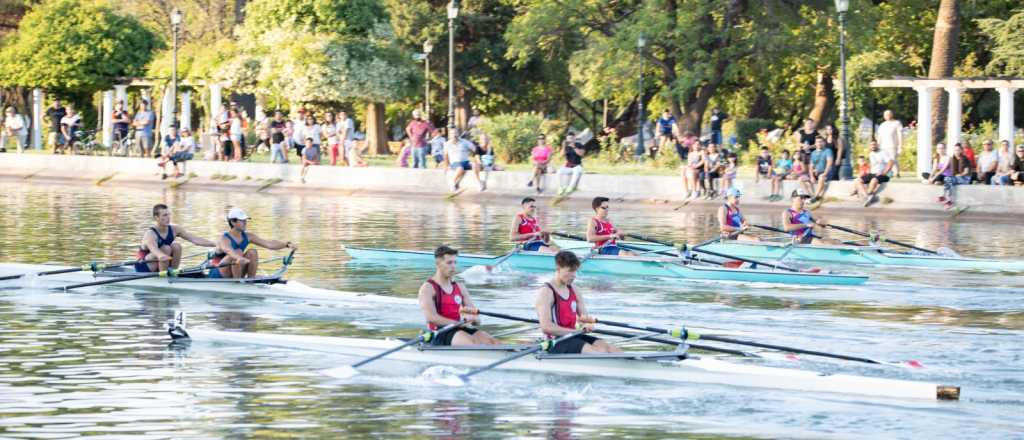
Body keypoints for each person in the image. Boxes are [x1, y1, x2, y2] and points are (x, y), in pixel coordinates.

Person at [535, 251, 621, 354]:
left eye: (575, 271)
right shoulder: (546, 292)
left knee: (611, 349)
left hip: (572, 335)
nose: (574, 275)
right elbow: (546, 327)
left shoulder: (574, 290)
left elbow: (584, 317)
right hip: (555, 341)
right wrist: (575, 331)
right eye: (570, 271)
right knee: (599, 352)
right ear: (558, 268)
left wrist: (588, 324)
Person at [418, 245, 499, 346]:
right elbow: (431, 317)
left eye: (455, 262)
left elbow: (474, 315)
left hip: (459, 327)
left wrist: (475, 319)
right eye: (449, 263)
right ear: (438, 264)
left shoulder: (460, 287)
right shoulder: (428, 288)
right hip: (440, 331)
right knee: (470, 343)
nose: (453, 266)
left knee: (493, 342)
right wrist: (458, 323)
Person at [209, 208, 297, 279]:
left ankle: (251, 280)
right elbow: (229, 251)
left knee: (253, 252)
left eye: (245, 220)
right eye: (242, 220)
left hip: (235, 269)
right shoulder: (223, 238)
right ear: (233, 222)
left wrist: (287, 244)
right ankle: (237, 284)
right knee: (238, 252)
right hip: (217, 272)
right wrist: (239, 258)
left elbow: (269, 244)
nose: (245, 223)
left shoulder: (248, 236)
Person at [134, 204, 216, 273]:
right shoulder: (150, 234)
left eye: (169, 214)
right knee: (166, 248)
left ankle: (173, 272)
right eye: (165, 215)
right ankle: (163, 278)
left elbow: (195, 240)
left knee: (177, 246)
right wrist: (163, 256)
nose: (168, 217)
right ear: (156, 218)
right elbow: (156, 252)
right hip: (144, 266)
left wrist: (216, 244)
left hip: (162, 262)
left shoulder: (175, 229)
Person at [855, 141, 895, 207]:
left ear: (877, 145)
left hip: (882, 175)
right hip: (872, 173)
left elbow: (891, 162)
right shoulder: (871, 154)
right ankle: (867, 196)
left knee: (873, 180)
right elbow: (873, 165)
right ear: (869, 146)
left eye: (874, 144)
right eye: (871, 145)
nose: (873, 146)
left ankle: (868, 196)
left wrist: (884, 173)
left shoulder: (883, 152)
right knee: (858, 180)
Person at [938, 143, 973, 210]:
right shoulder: (952, 159)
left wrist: (959, 175)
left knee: (949, 179)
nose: (956, 151)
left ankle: (945, 197)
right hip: (956, 178)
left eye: (958, 150)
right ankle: (948, 200)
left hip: (965, 178)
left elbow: (966, 172)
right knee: (948, 179)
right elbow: (952, 172)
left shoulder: (965, 159)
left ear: (961, 150)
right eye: (955, 150)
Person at [877, 110, 903, 177]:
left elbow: (900, 135)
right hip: (883, 146)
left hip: (892, 146)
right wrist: (877, 145)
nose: (887, 116)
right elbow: (879, 136)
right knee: (885, 161)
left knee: (893, 160)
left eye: (888, 114)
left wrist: (900, 146)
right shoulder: (882, 125)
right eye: (885, 115)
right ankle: (890, 173)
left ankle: (896, 173)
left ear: (891, 115)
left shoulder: (897, 123)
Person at [809, 136, 834, 203]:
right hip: (816, 172)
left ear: (824, 143)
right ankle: (812, 195)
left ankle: (816, 196)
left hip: (827, 172)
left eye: (821, 142)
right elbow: (811, 166)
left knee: (821, 177)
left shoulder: (828, 151)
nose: (819, 143)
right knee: (802, 179)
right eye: (817, 142)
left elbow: (829, 163)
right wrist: (811, 176)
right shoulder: (813, 153)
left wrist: (825, 173)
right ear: (815, 143)